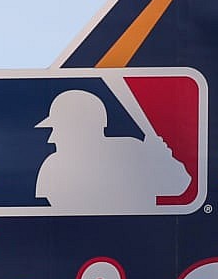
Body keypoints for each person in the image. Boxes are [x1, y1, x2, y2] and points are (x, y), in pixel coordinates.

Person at [32, 88, 191, 214]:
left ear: (83, 128)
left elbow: (179, 185)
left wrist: (162, 160)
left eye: (59, 129)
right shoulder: (53, 166)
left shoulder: (133, 151)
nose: (51, 138)